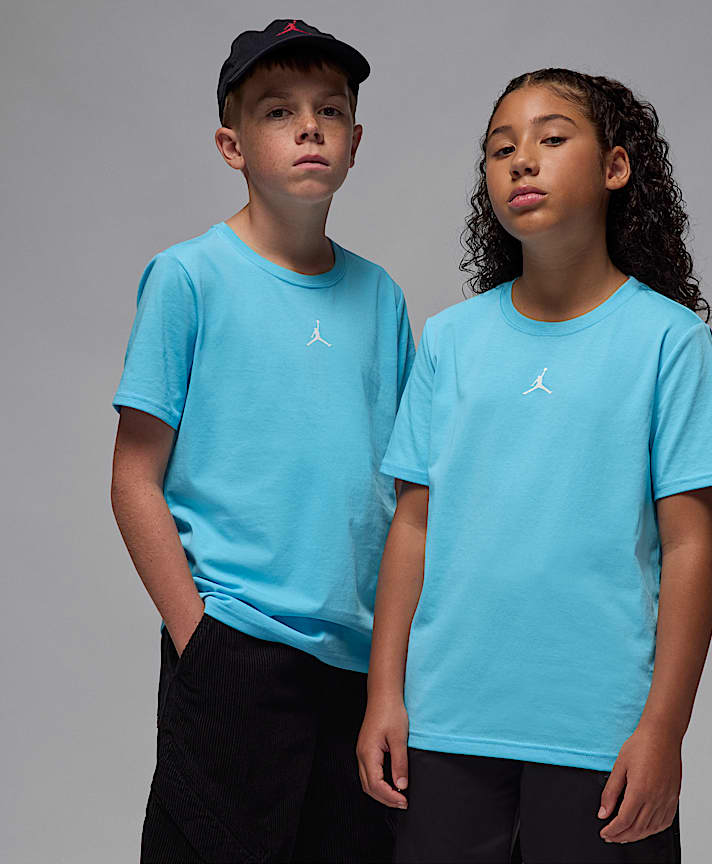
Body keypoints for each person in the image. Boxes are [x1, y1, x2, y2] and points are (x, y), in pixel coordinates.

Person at [357, 68, 712, 863]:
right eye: (501, 149)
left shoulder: (669, 342)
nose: (522, 161)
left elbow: (690, 549)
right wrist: (383, 695)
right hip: (445, 723)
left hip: (600, 732)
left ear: (615, 167)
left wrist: (664, 730)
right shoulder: (451, 340)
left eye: (552, 138)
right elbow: (412, 528)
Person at [110, 18, 414, 863]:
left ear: (355, 143)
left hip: (359, 669)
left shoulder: (382, 299)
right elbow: (133, 477)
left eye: (330, 110)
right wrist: (199, 639)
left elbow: (405, 498)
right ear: (232, 145)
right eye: (279, 111)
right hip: (235, 646)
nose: (309, 127)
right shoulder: (189, 277)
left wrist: (393, 670)